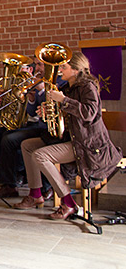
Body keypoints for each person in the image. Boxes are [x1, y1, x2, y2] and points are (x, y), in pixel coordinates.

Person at [13, 52, 122, 220]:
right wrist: (47, 112)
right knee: (27, 145)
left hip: (87, 144)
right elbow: (62, 115)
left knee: (40, 155)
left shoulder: (88, 86)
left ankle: (68, 202)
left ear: (77, 69)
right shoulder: (66, 88)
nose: (60, 70)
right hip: (71, 139)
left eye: (64, 67)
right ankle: (35, 193)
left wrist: (63, 101)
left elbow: (89, 113)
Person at [0, 59, 50, 198]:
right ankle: (6, 176)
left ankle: (13, 179)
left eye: (39, 65)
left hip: (39, 127)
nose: (37, 67)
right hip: (23, 123)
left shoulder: (48, 83)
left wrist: (40, 91)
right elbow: (29, 110)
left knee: (8, 139)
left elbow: (37, 114)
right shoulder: (29, 84)